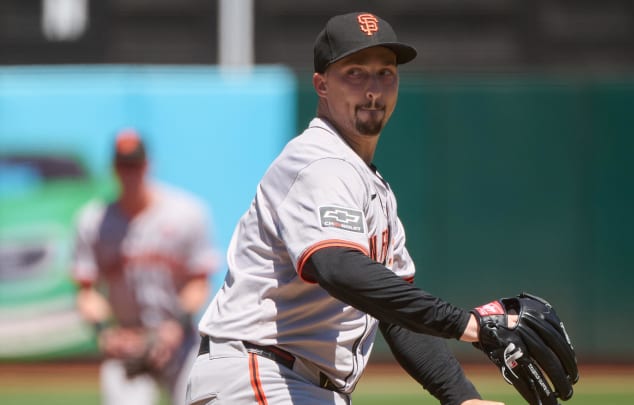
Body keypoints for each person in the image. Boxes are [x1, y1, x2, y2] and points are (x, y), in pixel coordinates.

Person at [186, 12, 510, 405]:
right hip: (262, 374)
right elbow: (337, 267)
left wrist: (462, 396)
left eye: (385, 73)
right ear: (321, 85)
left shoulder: (370, 185)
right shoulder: (319, 162)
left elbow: (395, 315)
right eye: (355, 73)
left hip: (293, 383)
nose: (373, 89)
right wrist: (465, 323)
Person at [72, 128, 220, 405]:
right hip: (127, 341)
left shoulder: (187, 212)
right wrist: (104, 332)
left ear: (148, 164)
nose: (130, 172)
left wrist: (176, 325)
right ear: (114, 168)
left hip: (179, 339)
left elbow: (199, 281)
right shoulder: (93, 221)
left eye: (135, 164)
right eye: (124, 165)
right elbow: (86, 290)